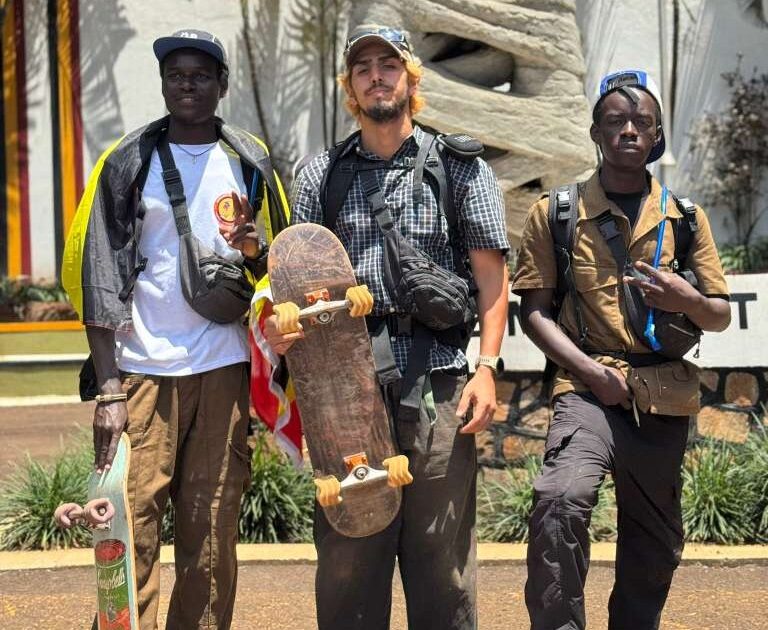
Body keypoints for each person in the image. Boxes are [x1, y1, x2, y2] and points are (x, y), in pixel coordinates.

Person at [264, 24, 509, 630]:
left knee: (441, 560)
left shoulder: (459, 168)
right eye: (363, 66)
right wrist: (281, 330)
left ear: (411, 77)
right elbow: (296, 280)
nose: (377, 74)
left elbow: (492, 281)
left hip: (439, 382)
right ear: (350, 86)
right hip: (344, 389)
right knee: (350, 559)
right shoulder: (321, 173)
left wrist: (487, 368)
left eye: (388, 63)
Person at [61, 29, 289, 630]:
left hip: (222, 368)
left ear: (221, 85)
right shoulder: (127, 161)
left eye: (199, 74)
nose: (186, 83)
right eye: (175, 74)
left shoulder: (250, 159)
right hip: (142, 372)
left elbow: (279, 268)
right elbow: (100, 273)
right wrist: (109, 389)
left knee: (211, 532)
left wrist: (256, 249)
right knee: (127, 524)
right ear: (164, 84)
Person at [513, 69, 731, 630]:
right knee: (560, 500)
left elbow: (720, 314)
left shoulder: (686, 218)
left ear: (656, 135)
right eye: (615, 121)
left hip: (663, 395)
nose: (628, 130)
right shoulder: (556, 213)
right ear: (596, 132)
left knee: (654, 546)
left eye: (641, 122)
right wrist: (589, 371)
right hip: (588, 389)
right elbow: (533, 310)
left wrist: (686, 298)